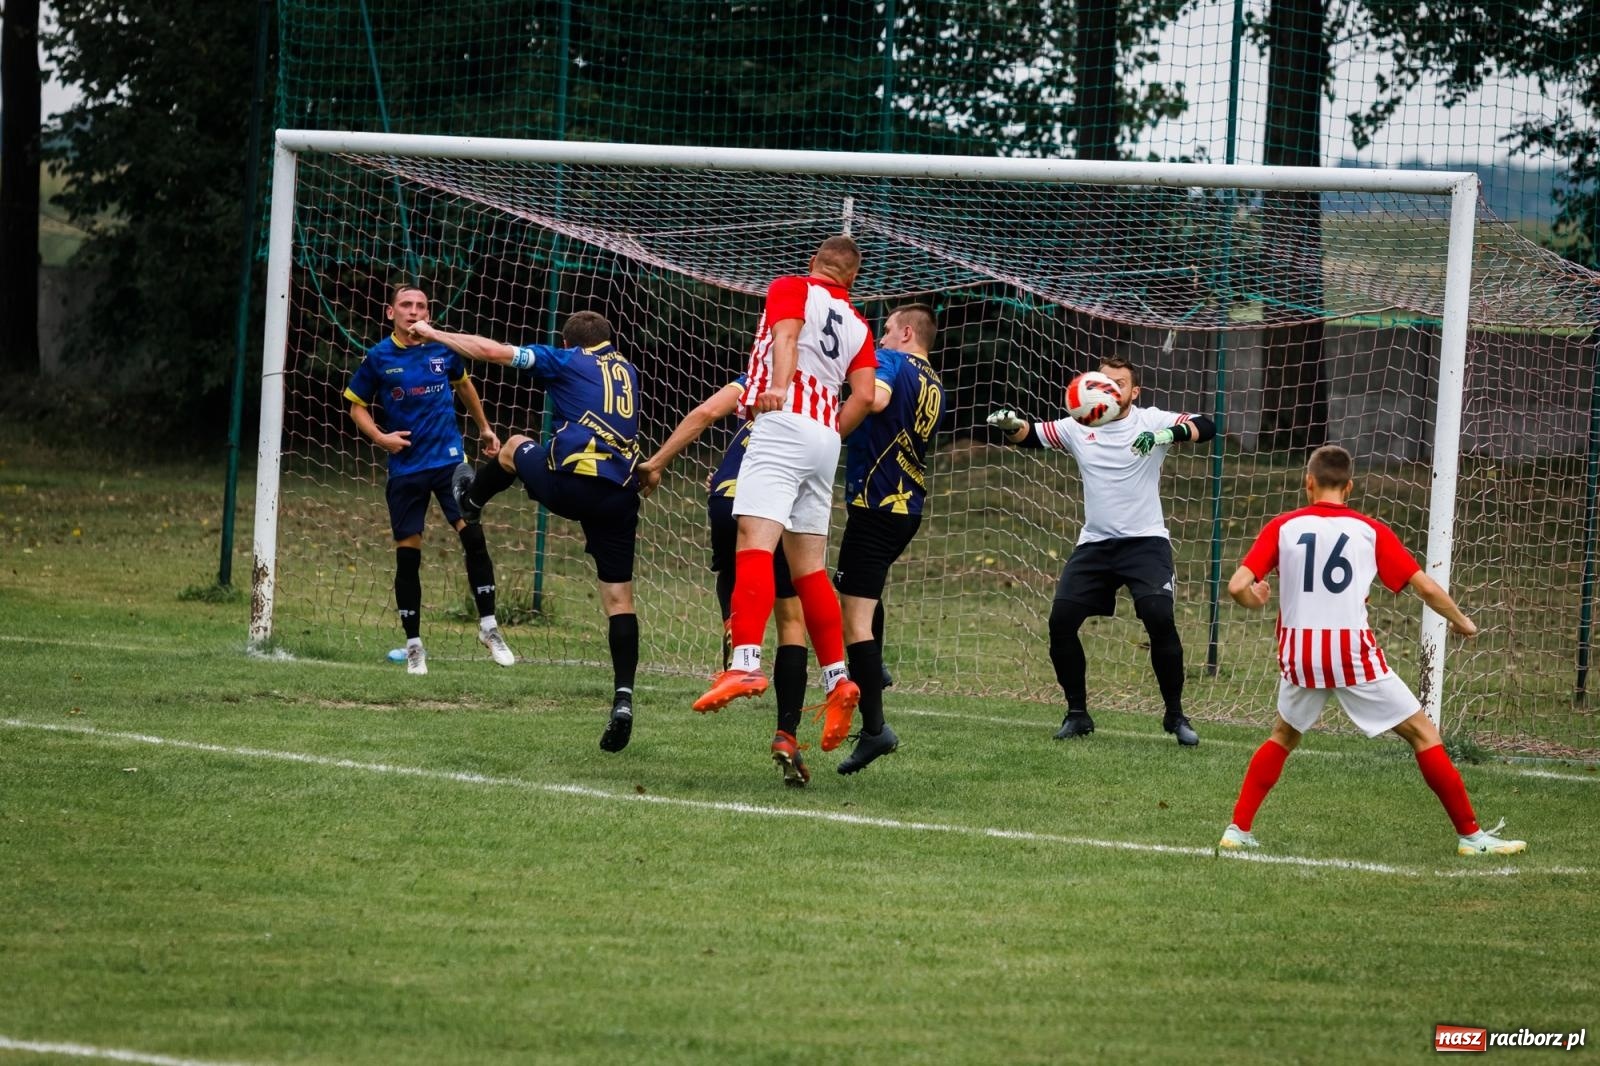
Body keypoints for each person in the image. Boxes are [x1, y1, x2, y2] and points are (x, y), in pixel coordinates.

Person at [1221, 444, 1526, 856]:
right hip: (1350, 654)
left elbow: (1238, 586)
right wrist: (1462, 621)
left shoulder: (1283, 526)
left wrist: (1253, 600)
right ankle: (1472, 838)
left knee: (1283, 735)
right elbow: (1426, 587)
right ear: (1350, 487)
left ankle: (1237, 830)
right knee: (1423, 734)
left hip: (1300, 656)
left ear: (1308, 482)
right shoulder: (1369, 530)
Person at [409, 310, 642, 755]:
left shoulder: (568, 360)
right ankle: (624, 699)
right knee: (619, 600)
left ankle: (471, 502)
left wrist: (435, 333)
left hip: (576, 483)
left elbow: (492, 351)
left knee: (514, 446)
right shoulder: (628, 370)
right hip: (620, 493)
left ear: (571, 343)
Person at [693, 235, 878, 755]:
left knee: (752, 537)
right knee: (810, 569)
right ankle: (839, 678)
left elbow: (788, 335)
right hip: (824, 438)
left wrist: (778, 387)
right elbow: (863, 396)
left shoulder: (790, 287)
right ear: (852, 279)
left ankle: (745, 665)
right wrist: (826, 433)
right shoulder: (860, 325)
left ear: (814, 265)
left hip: (783, 423)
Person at [987, 358, 1214, 745]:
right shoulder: (1079, 423)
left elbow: (1206, 426)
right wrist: (1011, 427)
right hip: (1095, 544)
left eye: (1120, 384)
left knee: (1159, 616)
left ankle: (1175, 716)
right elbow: (1031, 435)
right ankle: (1077, 715)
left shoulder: (1151, 420)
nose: (1110, 389)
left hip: (1145, 543)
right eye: (1104, 382)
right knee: (1060, 622)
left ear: (1134, 392)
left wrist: (1164, 437)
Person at [638, 379, 813, 786]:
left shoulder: (758, 381)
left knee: (733, 574)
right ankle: (787, 734)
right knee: (791, 618)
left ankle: (735, 635)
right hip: (773, 507)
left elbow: (703, 414)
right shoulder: (817, 401)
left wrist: (657, 462)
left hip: (725, 495)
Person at [344, 283, 513, 677]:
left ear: (428, 313)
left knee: (472, 535)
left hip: (449, 460)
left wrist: (485, 428)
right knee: (408, 555)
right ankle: (414, 646)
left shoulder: (444, 348)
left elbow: (465, 385)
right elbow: (356, 405)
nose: (413, 310)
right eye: (405, 305)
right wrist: (381, 438)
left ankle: (489, 628)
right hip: (406, 468)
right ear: (391, 313)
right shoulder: (379, 357)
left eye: (420, 305)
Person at [832, 303, 945, 774]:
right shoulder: (933, 379)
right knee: (860, 591)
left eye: (883, 333)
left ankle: (876, 729)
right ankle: (873, 667)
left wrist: (828, 429)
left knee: (853, 618)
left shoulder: (893, 362)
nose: (877, 341)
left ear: (903, 333)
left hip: (879, 505)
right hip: (905, 506)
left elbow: (874, 399)